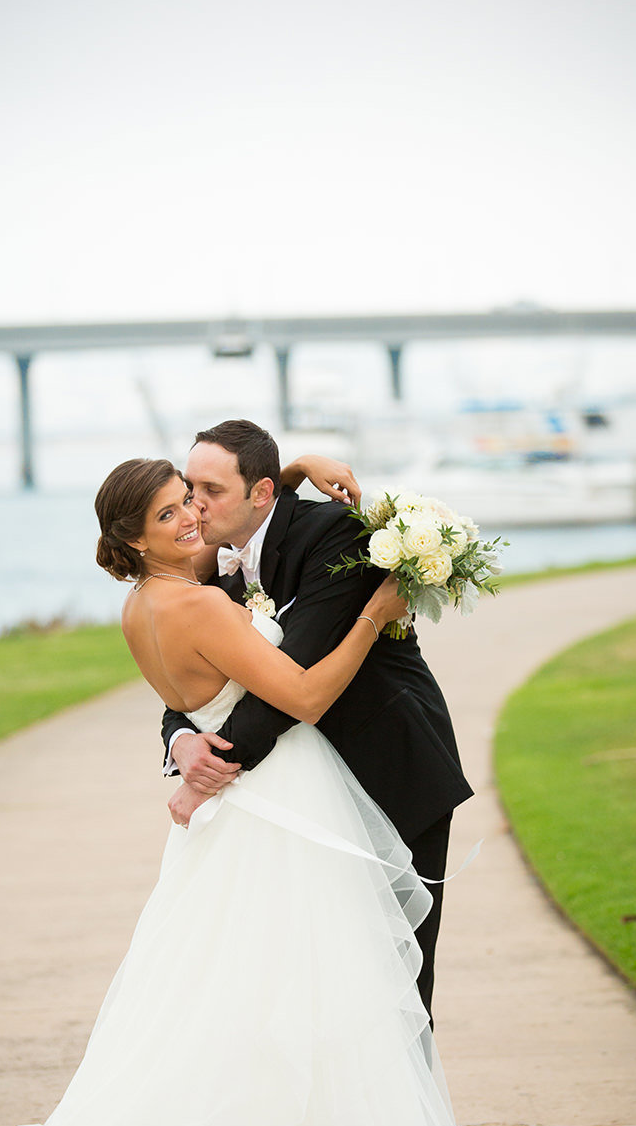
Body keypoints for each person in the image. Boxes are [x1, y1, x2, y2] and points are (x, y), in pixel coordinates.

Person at [0, 457, 500, 1126]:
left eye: (191, 502)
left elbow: (194, 694)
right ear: (133, 538)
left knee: (237, 995)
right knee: (303, 993)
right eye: (171, 514)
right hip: (277, 811)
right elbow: (305, 694)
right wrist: (377, 612)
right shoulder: (201, 601)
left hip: (229, 819)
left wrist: (297, 469)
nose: (192, 519)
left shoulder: (141, 608)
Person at [163, 420, 473, 1024]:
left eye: (210, 489)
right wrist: (180, 734)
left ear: (260, 495)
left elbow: (289, 679)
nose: (194, 504)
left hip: (388, 770)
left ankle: (401, 1117)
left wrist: (207, 771)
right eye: (188, 486)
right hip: (302, 788)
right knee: (308, 976)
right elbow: (194, 667)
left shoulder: (332, 538)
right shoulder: (215, 561)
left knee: (397, 979)